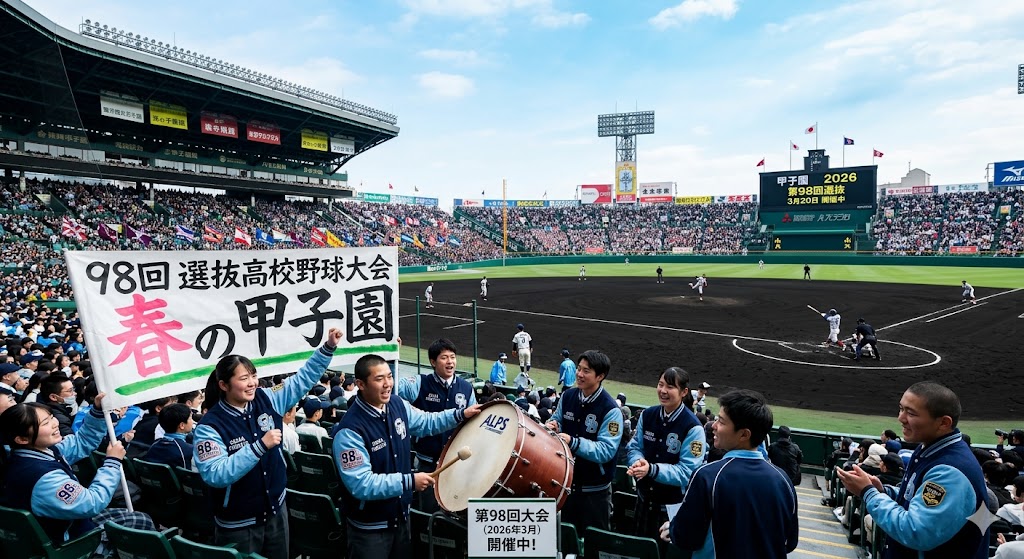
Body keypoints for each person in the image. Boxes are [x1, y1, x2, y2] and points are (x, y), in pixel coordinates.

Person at [193, 327, 343, 559]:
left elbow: (302, 379)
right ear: (224, 385)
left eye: (253, 376)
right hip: (238, 524)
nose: (252, 383)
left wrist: (327, 348)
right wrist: (258, 447)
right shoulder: (209, 427)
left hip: (276, 511)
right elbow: (215, 474)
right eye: (244, 378)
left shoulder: (268, 397)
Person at [332, 354, 481, 559]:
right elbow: (361, 484)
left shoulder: (397, 404)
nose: (387, 384)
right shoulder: (350, 432)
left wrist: (459, 415)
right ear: (360, 384)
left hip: (401, 518)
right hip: (370, 530)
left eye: (389, 377)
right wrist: (409, 481)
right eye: (379, 379)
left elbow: (427, 422)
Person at [834, 381, 990, 559]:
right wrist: (884, 491)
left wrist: (868, 493)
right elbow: (917, 496)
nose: (901, 418)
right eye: (901, 409)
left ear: (944, 423)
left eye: (911, 413)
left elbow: (916, 531)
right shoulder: (930, 450)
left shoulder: (950, 472)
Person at [0, 393, 155, 549]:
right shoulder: (42, 478)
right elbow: (92, 503)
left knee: (141, 517)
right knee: (142, 524)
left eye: (52, 417)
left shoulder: (39, 452)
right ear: (22, 439)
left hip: (72, 522)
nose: (55, 423)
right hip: (72, 541)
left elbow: (82, 441)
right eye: (45, 423)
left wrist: (97, 411)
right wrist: (112, 463)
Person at [662, 389, 798, 558]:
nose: (714, 426)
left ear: (744, 434)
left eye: (721, 421)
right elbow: (789, 542)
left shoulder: (708, 476)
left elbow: (687, 538)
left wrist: (672, 528)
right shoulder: (784, 480)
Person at [546, 350, 624, 531]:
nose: (579, 374)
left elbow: (606, 450)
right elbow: (557, 419)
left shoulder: (610, 410)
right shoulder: (568, 396)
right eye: (579, 369)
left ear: (600, 376)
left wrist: (574, 442)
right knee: (563, 539)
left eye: (586, 371)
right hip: (564, 485)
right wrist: (554, 425)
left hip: (595, 493)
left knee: (593, 544)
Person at [626, 367, 706, 543]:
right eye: (660, 384)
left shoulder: (693, 428)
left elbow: (687, 473)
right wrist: (637, 461)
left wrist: (652, 470)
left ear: (684, 392)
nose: (663, 391)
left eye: (670, 386)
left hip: (671, 508)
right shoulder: (647, 415)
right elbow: (634, 447)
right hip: (643, 499)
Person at [396, 338, 476, 512]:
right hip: (427, 463)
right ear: (433, 362)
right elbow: (392, 389)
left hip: (456, 462)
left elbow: (473, 426)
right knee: (428, 509)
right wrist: (395, 354)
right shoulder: (419, 383)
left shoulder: (466, 388)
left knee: (455, 509)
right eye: (444, 357)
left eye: (453, 357)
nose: (450, 362)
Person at [144, 403, 195, 470]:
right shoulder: (188, 450)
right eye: (190, 418)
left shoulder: (154, 446)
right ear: (182, 425)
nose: (193, 422)